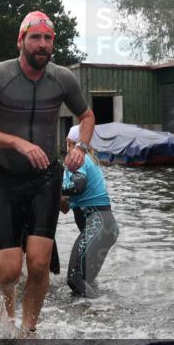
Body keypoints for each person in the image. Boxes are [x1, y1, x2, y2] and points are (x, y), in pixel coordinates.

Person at [0, 10, 96, 337]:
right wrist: (17, 143)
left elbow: (87, 116)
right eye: (35, 37)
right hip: (5, 177)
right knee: (8, 271)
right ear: (21, 40)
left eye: (48, 38)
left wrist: (81, 147)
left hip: (45, 179)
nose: (42, 44)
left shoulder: (63, 78)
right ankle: (6, 302)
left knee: (39, 263)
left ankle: (28, 330)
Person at [60, 126, 119, 298]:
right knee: (84, 283)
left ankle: (102, 311)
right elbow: (64, 207)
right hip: (106, 227)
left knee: (74, 278)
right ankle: (92, 316)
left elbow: (79, 185)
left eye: (67, 143)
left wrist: (54, 187)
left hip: (98, 223)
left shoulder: (77, 159)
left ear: (70, 143)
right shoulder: (88, 161)